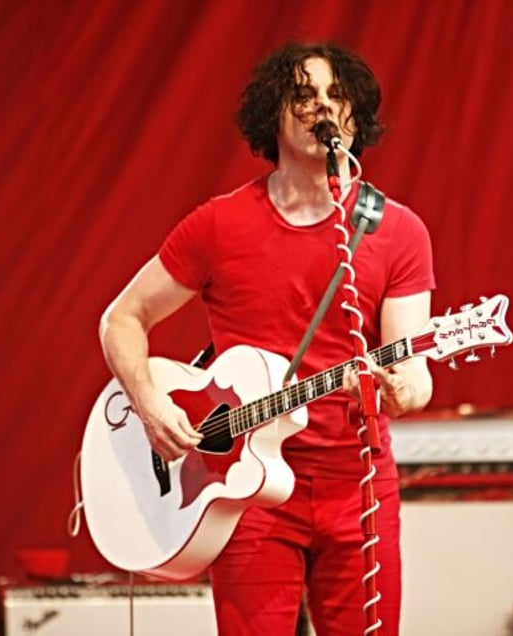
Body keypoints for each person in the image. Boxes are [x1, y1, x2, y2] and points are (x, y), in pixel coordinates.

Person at [99, 41, 435, 636]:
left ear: (357, 120)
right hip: (245, 489)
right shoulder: (219, 224)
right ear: (271, 117)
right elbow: (121, 320)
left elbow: (415, 373)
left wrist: (401, 392)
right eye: (303, 97)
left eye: (338, 97)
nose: (323, 109)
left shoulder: (399, 232)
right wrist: (151, 406)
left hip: (357, 486)